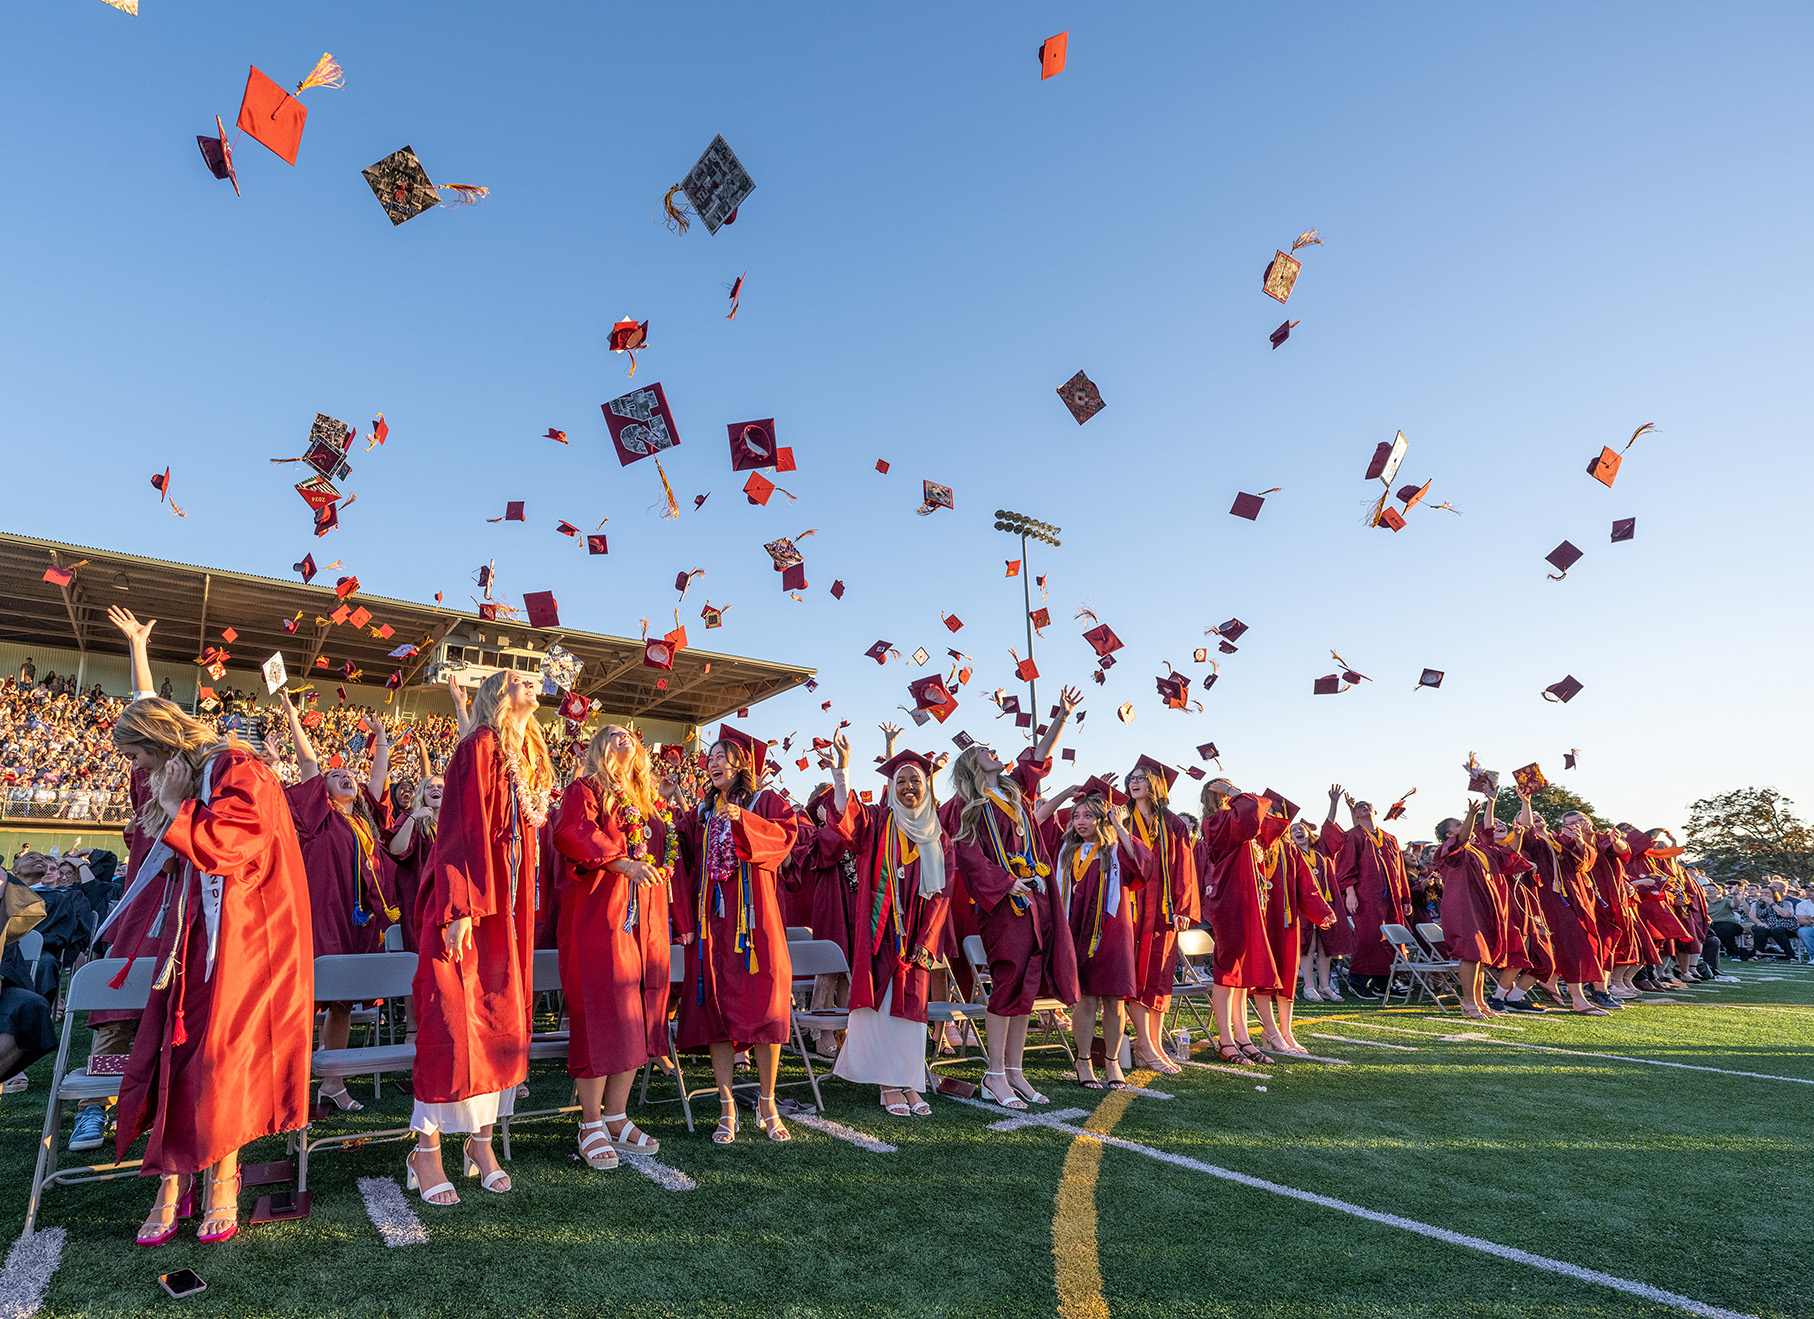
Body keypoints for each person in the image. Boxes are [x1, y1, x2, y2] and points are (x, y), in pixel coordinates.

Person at [107, 695, 313, 1246]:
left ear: (160, 743)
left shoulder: (240, 768)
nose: (141, 773)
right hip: (193, 934)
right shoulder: (191, 774)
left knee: (225, 1057)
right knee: (179, 1053)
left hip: (248, 937)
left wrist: (177, 804)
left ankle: (223, 1175)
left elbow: (229, 843)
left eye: (141, 757)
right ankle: (174, 1179)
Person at [407, 669, 551, 1205]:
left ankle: (481, 1143)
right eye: (519, 679)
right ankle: (425, 1151)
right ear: (497, 695)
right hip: (471, 907)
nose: (532, 682)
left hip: (510, 913)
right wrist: (460, 906)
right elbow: (461, 829)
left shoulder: (524, 758)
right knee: (452, 1024)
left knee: (500, 1026)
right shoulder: (479, 746)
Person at [945, 692, 1082, 1109]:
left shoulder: (1014, 792)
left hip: (1036, 899)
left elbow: (1038, 756)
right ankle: (994, 1075)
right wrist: (1005, 884)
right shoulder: (963, 805)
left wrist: (1062, 715)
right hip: (1005, 904)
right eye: (985, 750)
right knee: (1006, 985)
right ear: (972, 762)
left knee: (1028, 987)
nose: (994, 752)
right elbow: (968, 855)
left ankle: (1016, 1072)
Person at [552, 725, 678, 1169]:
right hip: (599, 919)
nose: (624, 736)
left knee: (637, 1017)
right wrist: (622, 862)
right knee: (602, 1014)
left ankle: (618, 1116)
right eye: (612, 733)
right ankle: (590, 1123)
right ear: (598, 748)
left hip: (644, 918)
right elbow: (573, 834)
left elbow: (664, 852)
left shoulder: (645, 801)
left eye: (629, 733)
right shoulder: (584, 790)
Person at [672, 725, 799, 1144]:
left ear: (741, 763)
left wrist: (743, 819)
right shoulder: (703, 812)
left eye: (721, 755)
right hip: (714, 924)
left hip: (755, 924)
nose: (712, 762)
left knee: (767, 1005)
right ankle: (727, 1107)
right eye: (709, 758)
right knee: (717, 1011)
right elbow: (684, 855)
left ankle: (767, 1102)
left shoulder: (766, 802)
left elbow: (784, 840)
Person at [275, 689, 399, 1111]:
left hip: (357, 921)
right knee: (305, 1002)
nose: (345, 775)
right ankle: (285, 1081)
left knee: (342, 1003)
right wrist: (293, 714)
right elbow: (310, 765)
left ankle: (333, 1081)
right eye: (336, 775)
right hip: (318, 917)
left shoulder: (364, 821)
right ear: (321, 792)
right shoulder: (316, 818)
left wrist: (381, 739)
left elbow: (378, 780)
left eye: (350, 774)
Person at [827, 736, 954, 1116]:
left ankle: (910, 1081)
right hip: (879, 931)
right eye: (901, 782)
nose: (908, 787)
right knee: (881, 1007)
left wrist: (929, 938)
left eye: (915, 781)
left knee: (912, 1011)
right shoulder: (878, 822)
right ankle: (887, 1083)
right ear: (890, 788)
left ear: (926, 786)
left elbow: (943, 892)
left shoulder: (938, 836)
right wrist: (843, 771)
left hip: (916, 933)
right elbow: (846, 820)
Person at [1056, 785, 1149, 1089]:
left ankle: (1111, 1062)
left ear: (1102, 820)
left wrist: (1119, 825)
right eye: (1077, 816)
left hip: (1113, 930)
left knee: (1114, 999)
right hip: (1078, 929)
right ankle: (1083, 1060)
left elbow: (1143, 864)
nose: (1080, 821)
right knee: (1085, 997)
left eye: (1088, 816)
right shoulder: (1067, 851)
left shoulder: (1115, 850)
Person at [1122, 756, 1197, 1075]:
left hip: (1163, 908)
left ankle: (1151, 1043)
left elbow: (1185, 867)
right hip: (1130, 904)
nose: (1134, 781)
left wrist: (1183, 907)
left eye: (1141, 777)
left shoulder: (1173, 823)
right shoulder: (1122, 818)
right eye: (1131, 777)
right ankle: (1144, 1043)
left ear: (1154, 784)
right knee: (1136, 975)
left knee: (1159, 976)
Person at [1434, 798, 1516, 1019]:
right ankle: (1468, 1002)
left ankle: (1479, 1001)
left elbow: (1507, 855)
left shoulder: (1478, 850)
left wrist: (1517, 832)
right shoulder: (1447, 849)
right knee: (1470, 954)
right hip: (1462, 905)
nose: (1465, 827)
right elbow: (1461, 840)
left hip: (1481, 904)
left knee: (1480, 956)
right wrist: (1471, 814)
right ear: (1449, 835)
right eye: (1458, 824)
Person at [1332, 794, 1413, 999]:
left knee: (1391, 937)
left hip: (1391, 898)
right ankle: (1358, 980)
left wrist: (1406, 899)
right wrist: (1350, 893)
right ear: (1355, 815)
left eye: (1368, 805)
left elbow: (1400, 870)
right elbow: (1345, 868)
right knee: (1368, 937)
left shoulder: (1389, 838)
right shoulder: (1353, 836)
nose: (1364, 807)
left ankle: (1386, 980)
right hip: (1366, 896)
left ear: (1375, 812)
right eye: (1360, 807)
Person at [386, 762, 444, 955]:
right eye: (430, 787)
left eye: (440, 787)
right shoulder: (410, 818)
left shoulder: (454, 824)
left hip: (447, 898)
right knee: (422, 954)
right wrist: (413, 818)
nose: (435, 789)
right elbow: (396, 850)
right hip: (419, 900)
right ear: (422, 794)